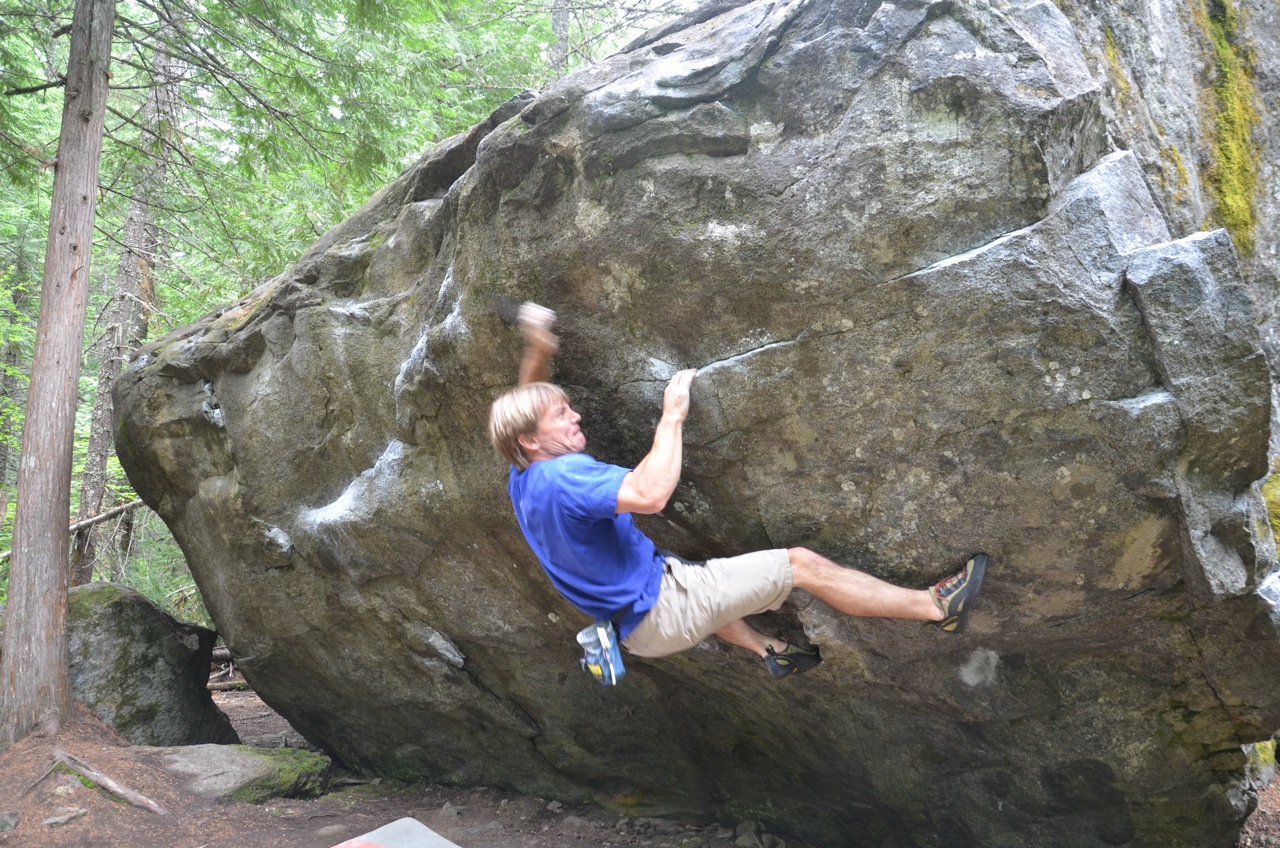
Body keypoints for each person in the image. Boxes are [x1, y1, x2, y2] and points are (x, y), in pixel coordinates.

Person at [488, 303, 987, 679]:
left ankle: (770, 652)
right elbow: (651, 493)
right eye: (562, 414)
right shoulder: (565, 476)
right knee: (801, 564)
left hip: (634, 630)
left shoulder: (526, 476)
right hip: (665, 608)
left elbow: (525, 413)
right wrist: (673, 414)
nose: (576, 416)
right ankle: (935, 609)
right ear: (532, 439)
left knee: (710, 587)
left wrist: (538, 352)